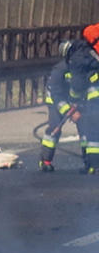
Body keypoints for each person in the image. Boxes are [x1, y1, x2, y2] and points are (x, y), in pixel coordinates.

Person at [41, 29, 99, 170]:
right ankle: (45, 161)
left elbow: (86, 85)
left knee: (86, 128)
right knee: (55, 126)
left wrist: (82, 106)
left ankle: (90, 164)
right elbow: (56, 93)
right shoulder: (59, 70)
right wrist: (69, 111)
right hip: (56, 99)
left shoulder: (82, 66)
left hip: (76, 100)